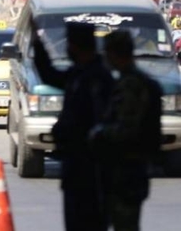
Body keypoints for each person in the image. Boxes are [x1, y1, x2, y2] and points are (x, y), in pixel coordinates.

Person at [31, 20, 113, 231]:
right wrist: (37, 44)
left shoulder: (97, 77)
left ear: (76, 46)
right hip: (75, 166)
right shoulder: (78, 73)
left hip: (91, 168)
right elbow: (50, 75)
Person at [89, 30, 163, 231]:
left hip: (126, 170)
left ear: (114, 54)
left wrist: (98, 133)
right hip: (130, 169)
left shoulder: (131, 84)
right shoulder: (136, 81)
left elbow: (126, 129)